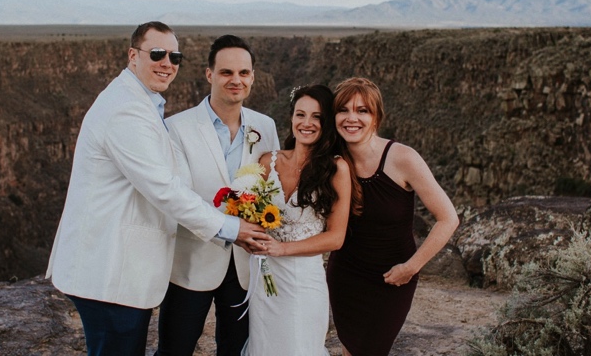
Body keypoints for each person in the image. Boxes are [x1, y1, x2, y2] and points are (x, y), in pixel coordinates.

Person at [46, 22, 271, 356]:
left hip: (121, 273)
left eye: (174, 56)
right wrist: (233, 228)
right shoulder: (127, 111)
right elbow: (165, 189)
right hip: (109, 271)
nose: (167, 63)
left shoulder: (139, 102)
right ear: (132, 55)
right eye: (157, 54)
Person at [156, 35, 280, 356]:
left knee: (237, 349)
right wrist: (231, 228)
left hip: (244, 266)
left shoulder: (265, 127)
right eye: (226, 73)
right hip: (191, 262)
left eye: (243, 73)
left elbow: (272, 187)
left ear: (252, 77)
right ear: (210, 75)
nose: (236, 80)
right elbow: (178, 196)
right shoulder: (176, 128)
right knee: (175, 349)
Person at [325, 77, 459, 356]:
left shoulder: (402, 158)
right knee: (350, 349)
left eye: (363, 110)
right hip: (345, 275)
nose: (352, 118)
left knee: (372, 349)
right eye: (343, 110)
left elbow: (448, 218)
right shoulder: (330, 160)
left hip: (393, 278)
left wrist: (412, 267)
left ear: (376, 118)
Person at [245, 84, 354, 356]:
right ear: (291, 118)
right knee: (264, 347)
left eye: (316, 117)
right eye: (300, 114)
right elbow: (249, 209)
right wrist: (250, 234)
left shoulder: (336, 168)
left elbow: (336, 237)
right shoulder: (267, 161)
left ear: (326, 122)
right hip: (265, 277)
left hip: (303, 280)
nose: (306, 123)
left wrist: (282, 248)